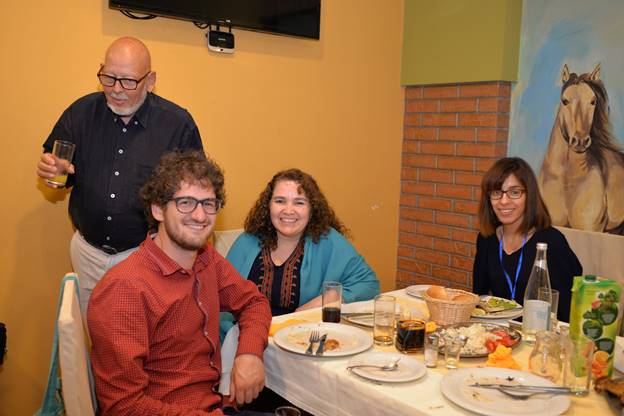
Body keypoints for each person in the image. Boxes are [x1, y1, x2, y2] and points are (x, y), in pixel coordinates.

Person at [88, 150, 272, 416]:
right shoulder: (124, 289)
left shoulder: (205, 258)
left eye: (209, 204)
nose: (200, 216)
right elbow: (123, 407)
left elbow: (253, 301)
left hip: (216, 402)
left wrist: (250, 353)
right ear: (158, 209)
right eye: (186, 203)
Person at [36, 37, 203, 316]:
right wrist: (52, 170)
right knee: (98, 339)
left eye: (128, 81)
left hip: (146, 255)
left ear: (150, 81)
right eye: (108, 77)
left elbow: (196, 194)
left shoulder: (177, 124)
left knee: (140, 342)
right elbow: (59, 168)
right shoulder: (80, 113)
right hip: (88, 253)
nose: (116, 89)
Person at [222, 168, 380, 337]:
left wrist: (328, 298)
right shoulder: (247, 241)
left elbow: (369, 284)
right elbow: (219, 295)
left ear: (312, 209)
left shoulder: (328, 241)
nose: (288, 210)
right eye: (280, 201)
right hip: (245, 338)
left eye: (299, 202)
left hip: (302, 341)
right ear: (268, 205)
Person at [472, 157, 582, 322]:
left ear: (529, 196)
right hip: (499, 336)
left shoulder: (551, 242)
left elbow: (568, 310)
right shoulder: (487, 239)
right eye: (496, 193)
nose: (503, 201)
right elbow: (478, 297)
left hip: (539, 338)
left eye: (514, 192)